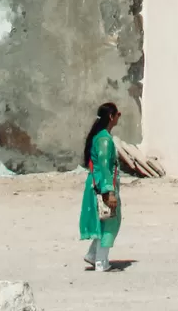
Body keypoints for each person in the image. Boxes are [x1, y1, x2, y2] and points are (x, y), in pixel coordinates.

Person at [79, 101, 122, 271]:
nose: (119, 117)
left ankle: (92, 254)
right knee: (110, 222)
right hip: (103, 187)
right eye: (117, 114)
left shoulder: (98, 137)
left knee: (103, 220)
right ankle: (101, 262)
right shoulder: (104, 140)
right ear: (111, 117)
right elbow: (105, 168)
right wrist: (109, 192)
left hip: (97, 184)